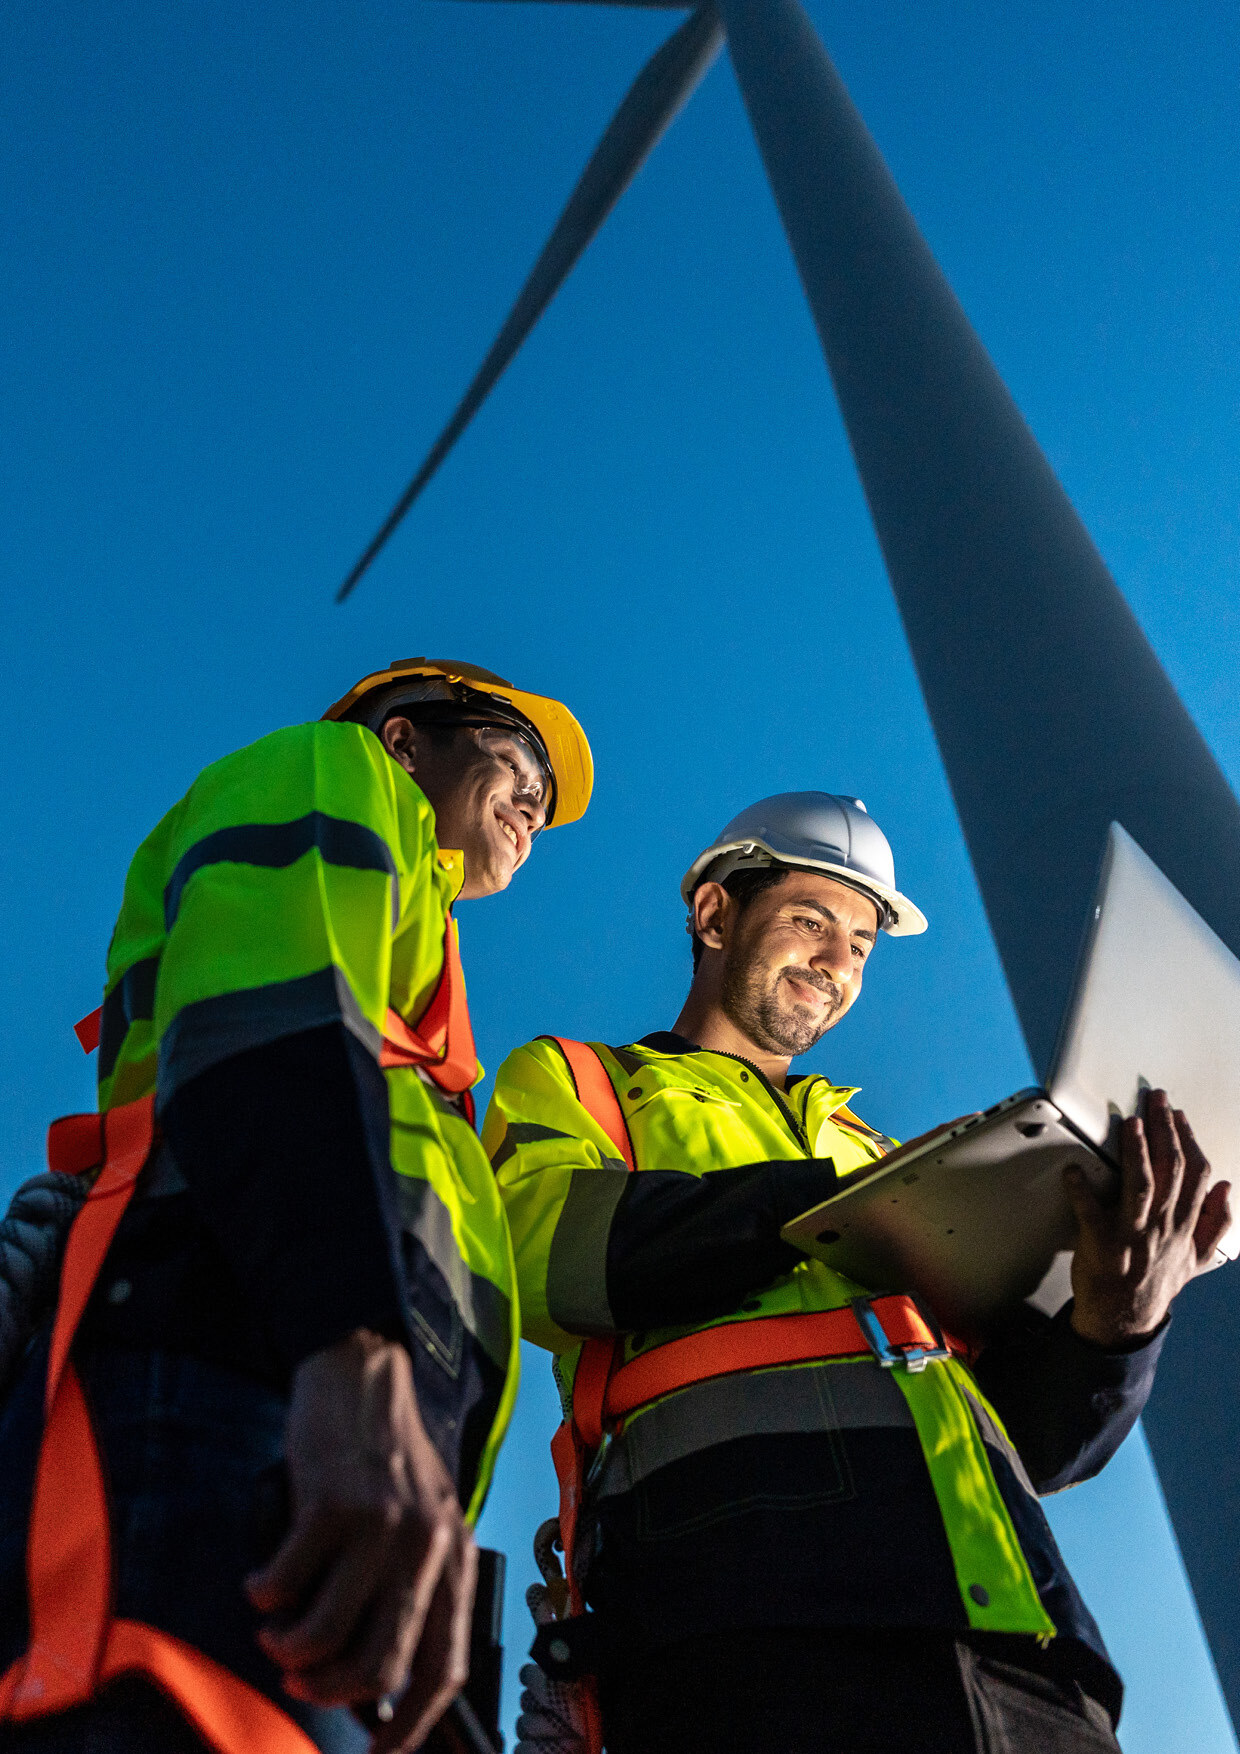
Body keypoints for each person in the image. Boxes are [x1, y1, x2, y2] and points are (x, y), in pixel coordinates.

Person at [484, 791, 1231, 1754]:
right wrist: (832, 1207)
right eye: (810, 921)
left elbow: (1036, 1446)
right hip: (741, 1615)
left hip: (1017, 1638)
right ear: (715, 914)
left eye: (864, 946)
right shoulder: (582, 1080)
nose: (839, 964)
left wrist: (1116, 1324)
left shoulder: (876, 1149)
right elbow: (539, 1250)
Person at [0, 657, 592, 1754]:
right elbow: (264, 1022)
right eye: (517, 762)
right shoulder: (332, 766)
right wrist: (352, 1344)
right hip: (245, 1373)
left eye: (546, 805)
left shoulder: (421, 974)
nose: (534, 805)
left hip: (327, 1425)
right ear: (409, 738)